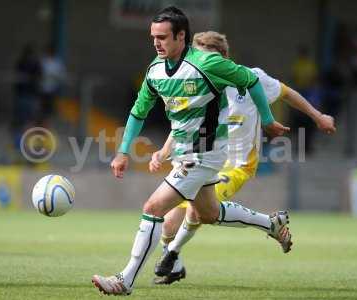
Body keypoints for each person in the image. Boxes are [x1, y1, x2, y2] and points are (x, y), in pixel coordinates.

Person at [92, 6, 289, 295]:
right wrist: (123, 151)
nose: (156, 43)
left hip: (204, 154)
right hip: (185, 153)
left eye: (162, 37)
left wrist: (268, 120)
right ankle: (271, 224)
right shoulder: (155, 70)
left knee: (152, 208)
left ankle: (124, 280)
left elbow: (251, 81)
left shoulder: (207, 64)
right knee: (208, 213)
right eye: (153, 37)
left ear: (181, 36)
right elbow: (138, 112)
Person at [150, 31, 337, 285]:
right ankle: (175, 265)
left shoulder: (252, 78)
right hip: (202, 158)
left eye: (210, 58)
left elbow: (286, 92)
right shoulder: (195, 80)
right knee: (170, 221)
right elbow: (185, 121)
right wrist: (163, 151)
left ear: (224, 57)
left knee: (201, 211)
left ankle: (174, 255)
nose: (205, 65)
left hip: (237, 163)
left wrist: (318, 117)